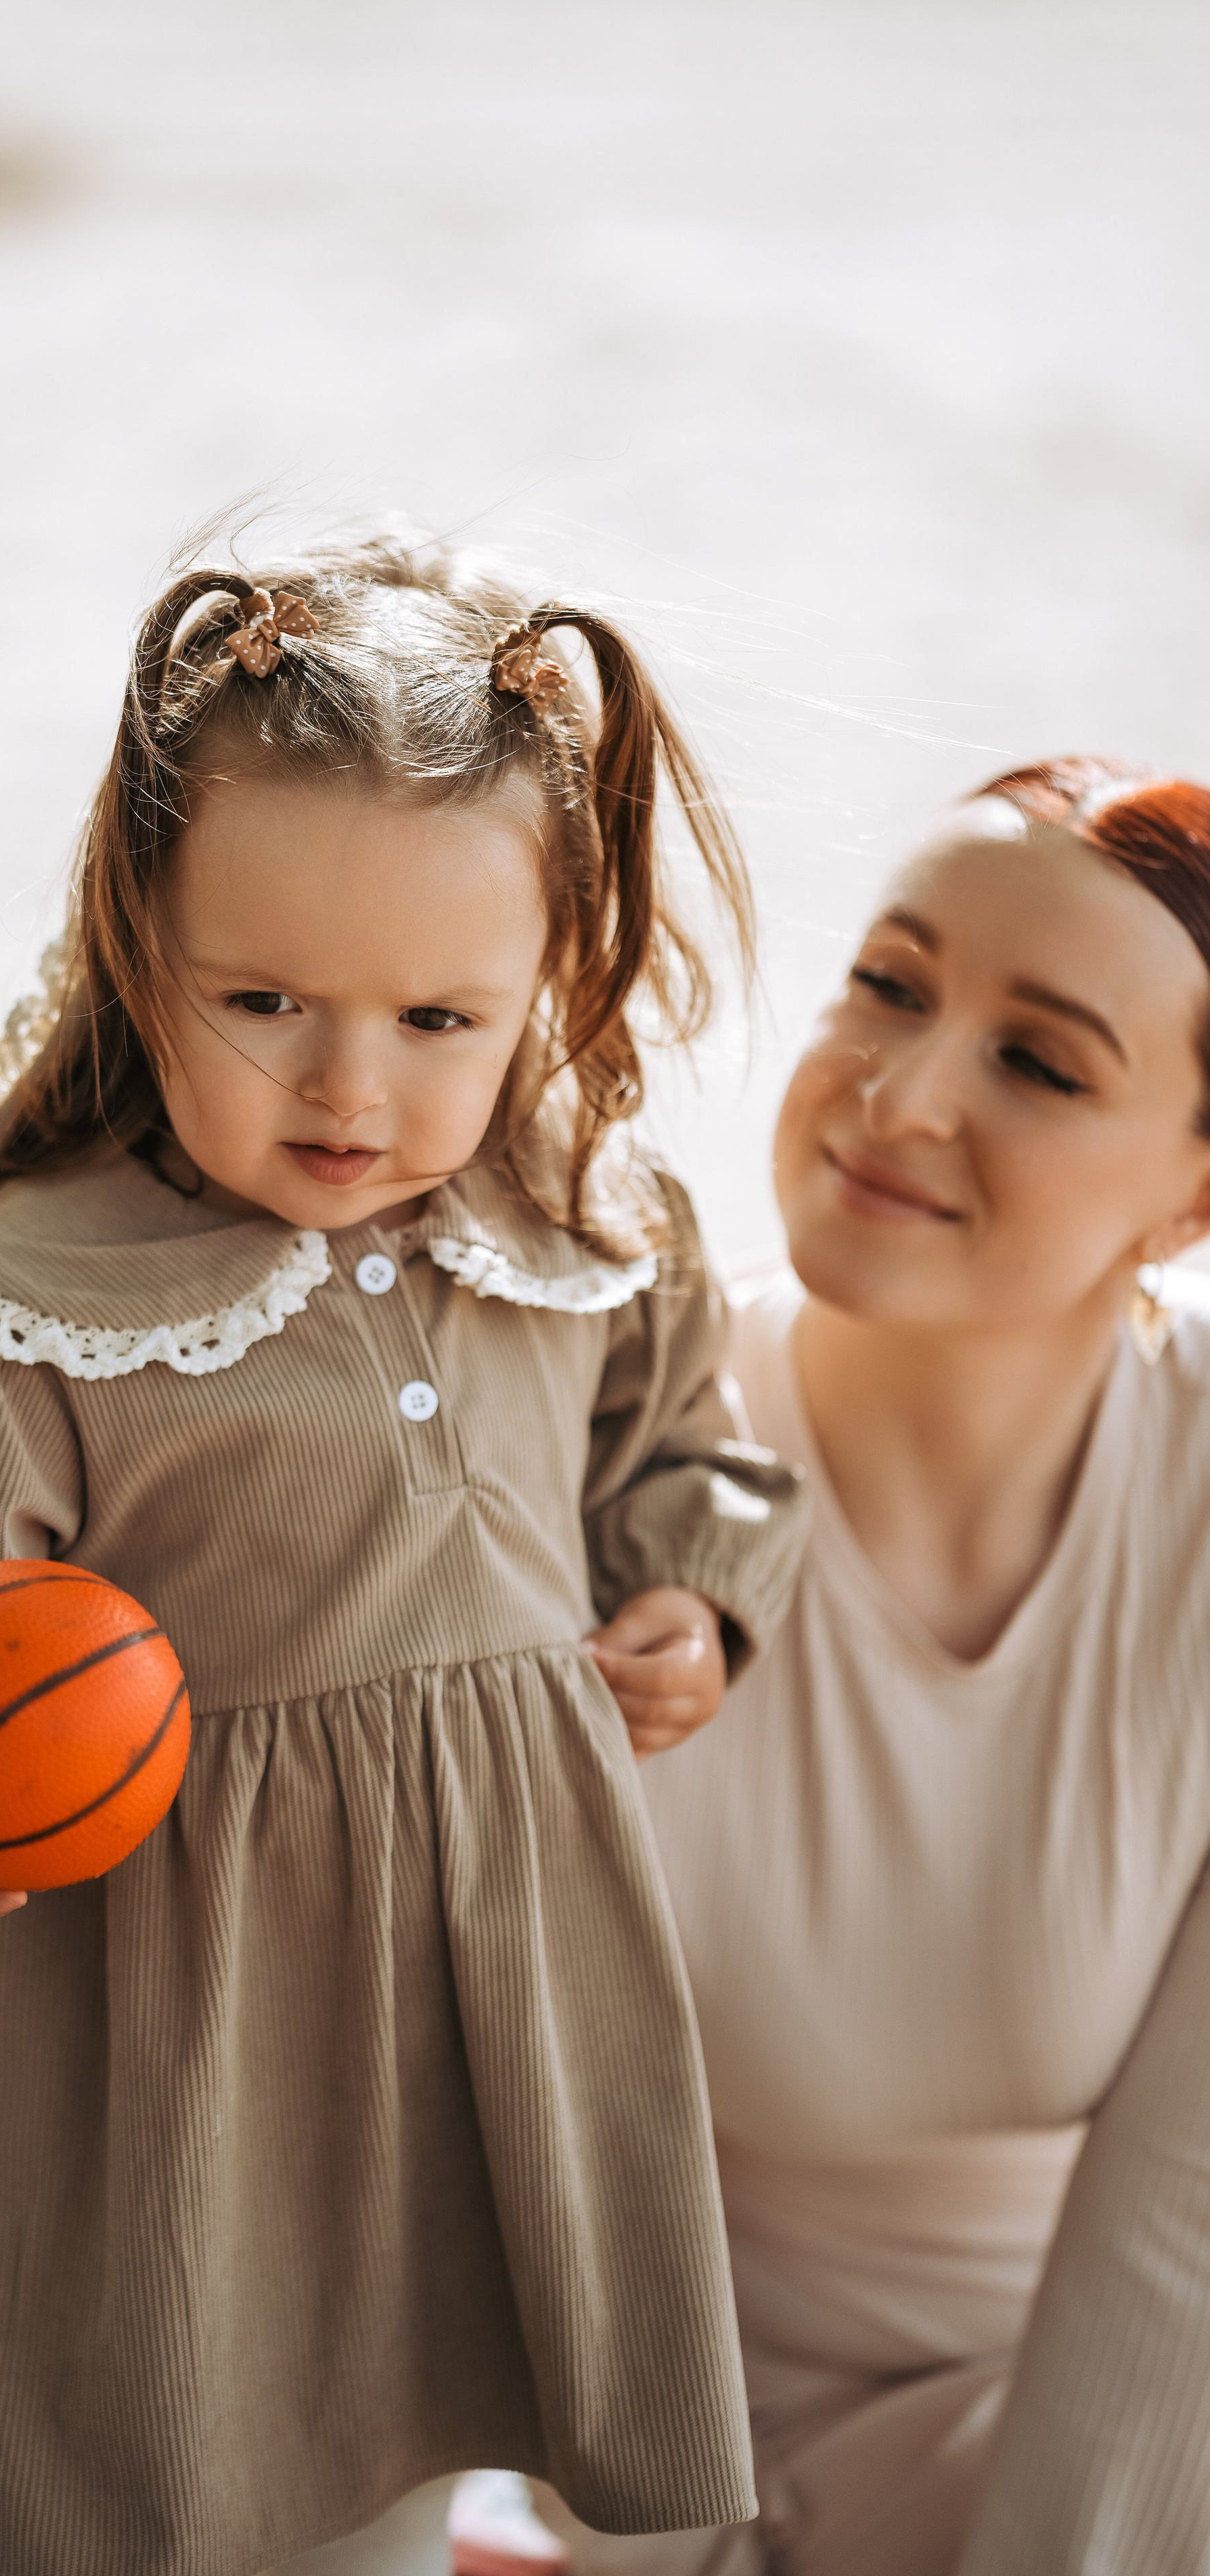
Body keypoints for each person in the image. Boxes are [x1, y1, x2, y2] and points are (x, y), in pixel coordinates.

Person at [0, 534, 809, 2576]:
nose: (351, 1083)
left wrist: (691, 1590)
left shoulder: (579, 1232)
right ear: (140, 941)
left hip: (497, 2007)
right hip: (171, 2033)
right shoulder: (28, 1305)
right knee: (148, 2480)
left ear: (549, 981)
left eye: (437, 1015)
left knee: (401, 2474)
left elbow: (683, 1445)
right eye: (265, 1002)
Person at [525, 760, 1210, 2575]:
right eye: (890, 986)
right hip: (654, 2447)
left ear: (1193, 1195)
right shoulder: (592, 1454)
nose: (900, 1099)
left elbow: (1187, 2248)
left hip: (1099, 2430)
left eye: (1042, 1062)